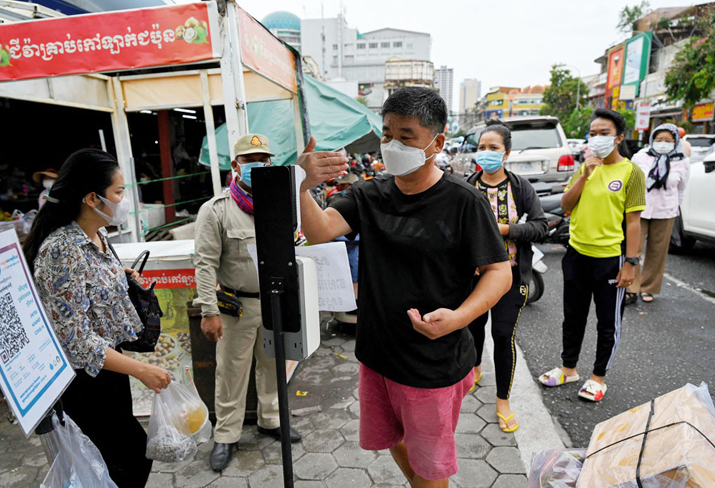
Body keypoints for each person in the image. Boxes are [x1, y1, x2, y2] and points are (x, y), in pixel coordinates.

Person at [298, 87, 512, 487]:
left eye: (406, 136)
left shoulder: (464, 201)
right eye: (386, 134)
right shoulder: (369, 194)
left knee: (431, 468)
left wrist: (458, 319)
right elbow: (320, 231)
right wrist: (302, 186)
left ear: (437, 142)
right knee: (393, 439)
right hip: (378, 352)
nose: (392, 145)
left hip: (431, 361)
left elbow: (500, 272)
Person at [23, 149, 171, 488]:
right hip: (84, 381)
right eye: (118, 192)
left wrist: (120, 274)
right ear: (92, 198)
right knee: (127, 459)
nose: (124, 200)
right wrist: (143, 370)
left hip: (109, 370)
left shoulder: (96, 235)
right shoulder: (62, 249)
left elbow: (88, 285)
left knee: (119, 462)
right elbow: (75, 339)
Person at [193, 133, 303, 473]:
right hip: (235, 308)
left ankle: (270, 419)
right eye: (249, 159)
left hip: (276, 303)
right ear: (235, 165)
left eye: (263, 158)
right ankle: (226, 435)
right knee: (231, 371)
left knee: (273, 365)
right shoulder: (216, 210)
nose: (258, 164)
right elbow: (205, 263)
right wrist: (208, 311)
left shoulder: (281, 206)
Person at [539, 108, 646, 403]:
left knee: (607, 322)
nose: (597, 138)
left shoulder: (631, 172)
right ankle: (568, 368)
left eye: (604, 133)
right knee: (572, 317)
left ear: (619, 138)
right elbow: (566, 203)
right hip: (576, 254)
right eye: (593, 133)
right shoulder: (585, 167)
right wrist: (585, 175)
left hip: (611, 259)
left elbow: (634, 221)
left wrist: (632, 263)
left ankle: (598, 377)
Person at [465, 121, 547, 433]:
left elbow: (540, 227)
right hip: (473, 276)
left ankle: (502, 401)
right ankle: (474, 370)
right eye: (482, 147)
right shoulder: (467, 186)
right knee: (473, 329)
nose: (486, 153)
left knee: (503, 336)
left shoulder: (520, 188)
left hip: (511, 276)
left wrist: (504, 230)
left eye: (493, 148)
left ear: (507, 153)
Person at [626, 123, 690, 304]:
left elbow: (682, 188)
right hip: (639, 208)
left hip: (666, 210)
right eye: (659, 139)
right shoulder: (641, 157)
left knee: (657, 251)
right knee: (633, 249)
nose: (663, 143)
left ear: (675, 142)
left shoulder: (682, 161)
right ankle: (631, 287)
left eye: (668, 140)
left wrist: (675, 208)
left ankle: (648, 288)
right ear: (652, 139)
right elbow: (630, 181)